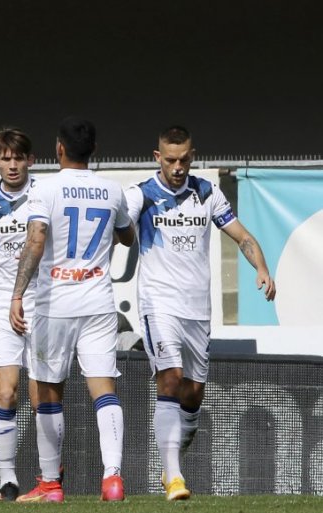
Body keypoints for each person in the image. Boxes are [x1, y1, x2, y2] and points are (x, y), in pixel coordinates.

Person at [125, 125, 276, 501]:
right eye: (170, 160)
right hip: (159, 303)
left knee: (192, 396)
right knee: (170, 378)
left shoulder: (207, 192)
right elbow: (119, 232)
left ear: (192, 157)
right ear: (157, 157)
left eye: (184, 160)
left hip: (197, 310)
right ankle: (174, 478)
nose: (178, 167)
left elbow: (242, 236)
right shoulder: (141, 194)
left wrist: (261, 267)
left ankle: (172, 462)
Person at [9, 117, 135, 503]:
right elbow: (128, 236)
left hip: (55, 305)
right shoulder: (112, 190)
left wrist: (17, 295)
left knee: (48, 393)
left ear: (59, 148)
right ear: (93, 150)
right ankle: (112, 478)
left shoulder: (44, 189)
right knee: (104, 390)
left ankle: (51, 485)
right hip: (98, 303)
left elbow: (36, 240)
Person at [0, 128, 41, 501]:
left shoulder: (44, 195)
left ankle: (50, 477)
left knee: (41, 398)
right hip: (1, 304)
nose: (12, 165)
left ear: (31, 160)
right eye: (5, 158)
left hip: (42, 303)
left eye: (18, 158)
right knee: (6, 391)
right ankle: (8, 480)